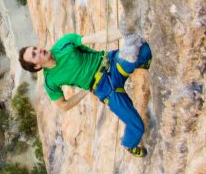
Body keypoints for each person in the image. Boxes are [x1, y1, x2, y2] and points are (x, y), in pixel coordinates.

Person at [19, 29, 152, 157]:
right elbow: (64, 105)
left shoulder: (65, 43)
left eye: (35, 49)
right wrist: (85, 91)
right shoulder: (50, 82)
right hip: (105, 90)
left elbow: (97, 37)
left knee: (146, 50)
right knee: (137, 126)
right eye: (34, 54)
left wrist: (125, 30)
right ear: (37, 66)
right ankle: (129, 144)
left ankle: (141, 61)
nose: (39, 50)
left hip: (110, 64)